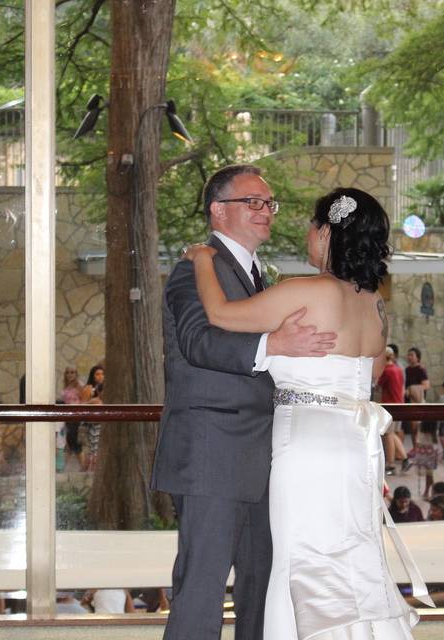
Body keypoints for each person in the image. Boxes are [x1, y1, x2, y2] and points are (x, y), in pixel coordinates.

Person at [183, 185, 432, 638]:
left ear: (326, 235)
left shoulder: (303, 291)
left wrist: (201, 258)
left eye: (313, 226)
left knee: (303, 557)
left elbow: (219, 314)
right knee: (354, 555)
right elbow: (372, 370)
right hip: (357, 447)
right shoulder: (374, 304)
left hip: (307, 447)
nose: (307, 232)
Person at [151, 164, 340, 640]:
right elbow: (197, 341)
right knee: (202, 588)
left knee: (262, 589)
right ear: (218, 210)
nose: (265, 211)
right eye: (252, 202)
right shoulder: (194, 266)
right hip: (212, 453)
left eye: (269, 203)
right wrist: (272, 345)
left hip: (265, 458)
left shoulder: (259, 275)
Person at [377, 344, 409, 475]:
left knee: (388, 434)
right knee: (392, 434)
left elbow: (378, 385)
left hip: (390, 405)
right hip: (399, 404)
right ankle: (405, 458)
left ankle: (390, 465)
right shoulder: (398, 369)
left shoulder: (387, 370)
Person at [403, 347, 430, 447]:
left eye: (412, 355)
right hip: (408, 401)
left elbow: (426, 385)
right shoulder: (406, 369)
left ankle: (417, 448)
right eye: (408, 355)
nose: (409, 357)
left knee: (416, 426)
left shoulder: (421, 369)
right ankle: (415, 447)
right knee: (411, 426)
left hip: (418, 401)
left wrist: (411, 389)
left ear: (418, 357)